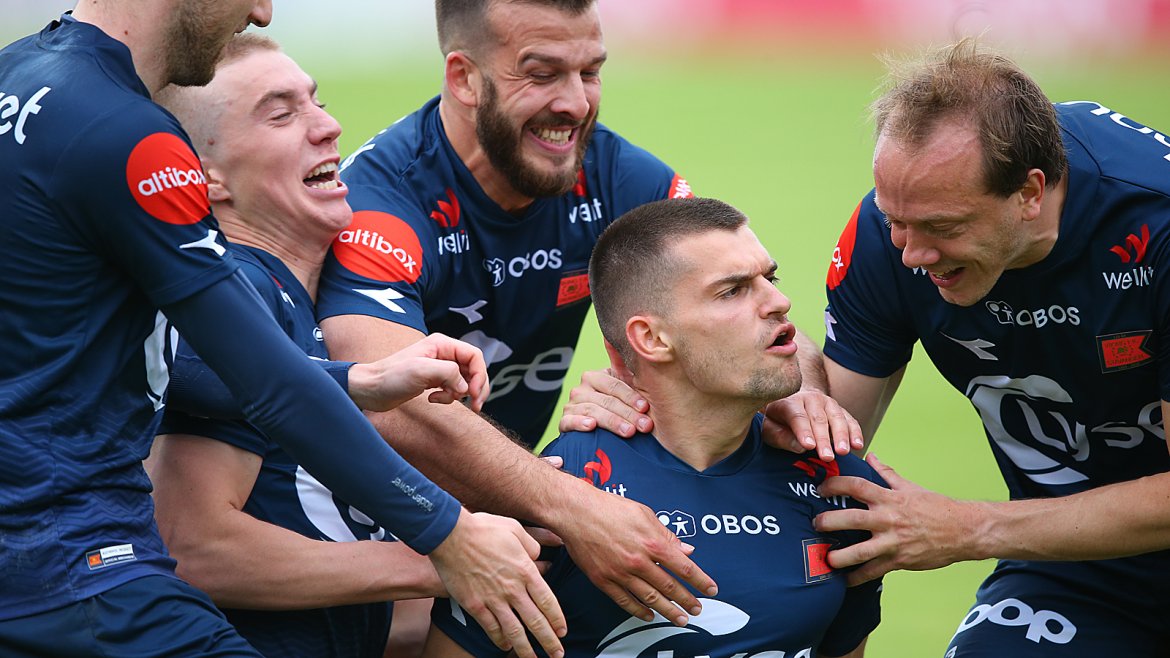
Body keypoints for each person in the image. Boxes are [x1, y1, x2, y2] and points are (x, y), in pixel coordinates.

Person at [0, 4, 564, 657]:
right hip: (86, 571)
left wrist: (355, 379)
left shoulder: (20, 79)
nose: (261, 10)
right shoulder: (131, 135)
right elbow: (268, 389)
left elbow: (136, 356)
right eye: (280, 112)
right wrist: (448, 538)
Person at [316, 2, 856, 646]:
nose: (575, 104)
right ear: (464, 78)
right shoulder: (383, 203)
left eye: (591, 72)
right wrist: (575, 505)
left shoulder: (615, 174)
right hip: (351, 529)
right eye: (542, 74)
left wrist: (793, 388)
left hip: (505, 527)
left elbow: (746, 304)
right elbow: (392, 405)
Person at [145, 34, 521, 658]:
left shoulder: (299, 298)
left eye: (315, 101)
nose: (329, 126)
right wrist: (448, 558)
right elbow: (195, 544)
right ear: (206, 180)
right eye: (281, 112)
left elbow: (328, 577)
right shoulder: (241, 294)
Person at [805, 39, 1170, 655]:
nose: (913, 255)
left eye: (944, 228)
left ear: (1030, 194)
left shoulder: (1155, 227)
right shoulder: (890, 233)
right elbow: (824, 430)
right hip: (1075, 564)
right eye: (896, 220)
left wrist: (969, 527)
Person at [423, 197, 884, 658]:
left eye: (771, 279)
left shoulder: (839, 486)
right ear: (651, 338)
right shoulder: (558, 497)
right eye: (733, 290)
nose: (779, 302)